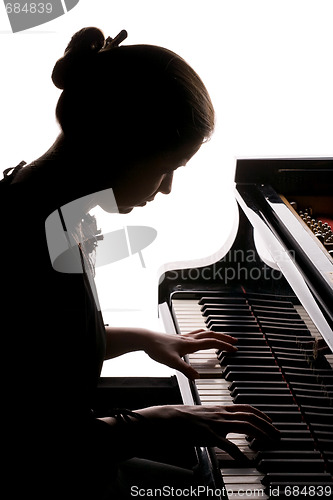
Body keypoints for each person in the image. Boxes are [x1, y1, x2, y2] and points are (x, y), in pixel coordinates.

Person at [1, 27, 279, 500]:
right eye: (167, 166)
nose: (166, 186)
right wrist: (159, 419)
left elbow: (40, 353)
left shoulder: (38, 203)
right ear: (120, 146)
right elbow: (31, 443)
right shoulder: (25, 242)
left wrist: (139, 338)